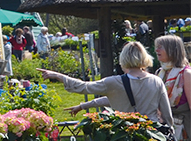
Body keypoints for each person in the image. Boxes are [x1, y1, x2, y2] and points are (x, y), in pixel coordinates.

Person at [39, 41, 174, 126]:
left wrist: (57, 75)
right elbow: (167, 114)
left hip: (124, 133)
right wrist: (170, 131)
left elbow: (84, 86)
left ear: (123, 58)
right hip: (152, 132)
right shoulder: (156, 81)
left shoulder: (114, 82)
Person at [156, 35, 191, 141]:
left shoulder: (186, 73)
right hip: (165, 126)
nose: (157, 50)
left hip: (184, 128)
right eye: (157, 47)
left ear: (172, 50)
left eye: (161, 47)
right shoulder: (159, 73)